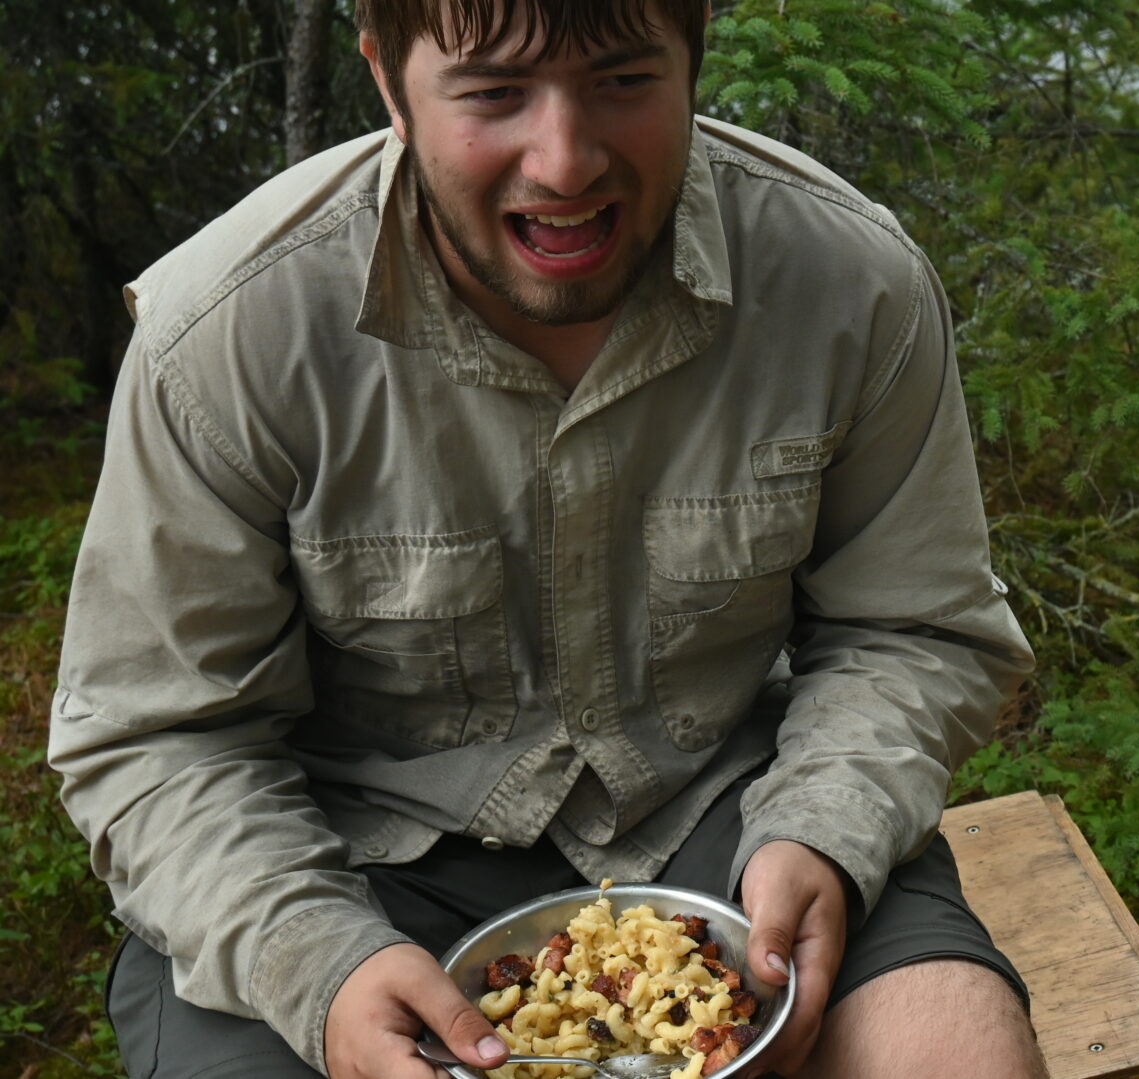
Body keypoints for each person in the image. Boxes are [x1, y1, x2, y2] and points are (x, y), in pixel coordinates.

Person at [46, 2, 1048, 1077]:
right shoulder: (229, 338)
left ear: (694, 51)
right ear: (389, 81)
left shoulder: (852, 285)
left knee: (955, 1049)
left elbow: (911, 629)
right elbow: (159, 740)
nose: (566, 162)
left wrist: (824, 830)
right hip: (342, 862)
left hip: (731, 816)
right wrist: (319, 964)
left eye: (623, 80)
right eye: (492, 93)